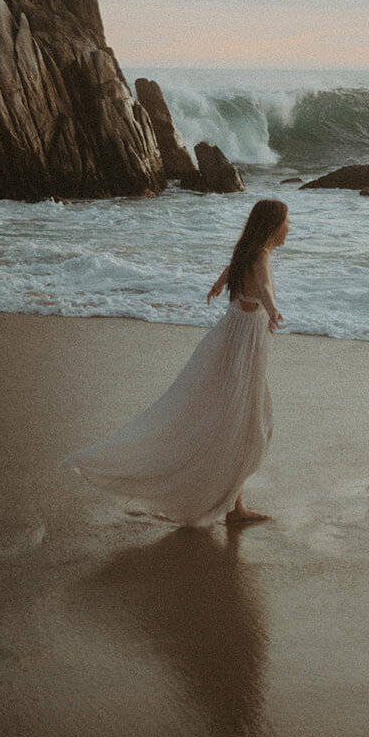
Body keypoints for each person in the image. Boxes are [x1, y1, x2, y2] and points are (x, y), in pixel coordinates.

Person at [66, 198, 289, 526]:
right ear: (272, 225)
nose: (290, 227)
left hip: (233, 341)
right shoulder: (261, 255)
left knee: (244, 421)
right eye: (287, 221)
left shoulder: (247, 252)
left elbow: (235, 272)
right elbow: (265, 284)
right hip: (243, 348)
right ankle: (233, 505)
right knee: (252, 423)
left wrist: (219, 284)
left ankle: (233, 502)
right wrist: (271, 309)